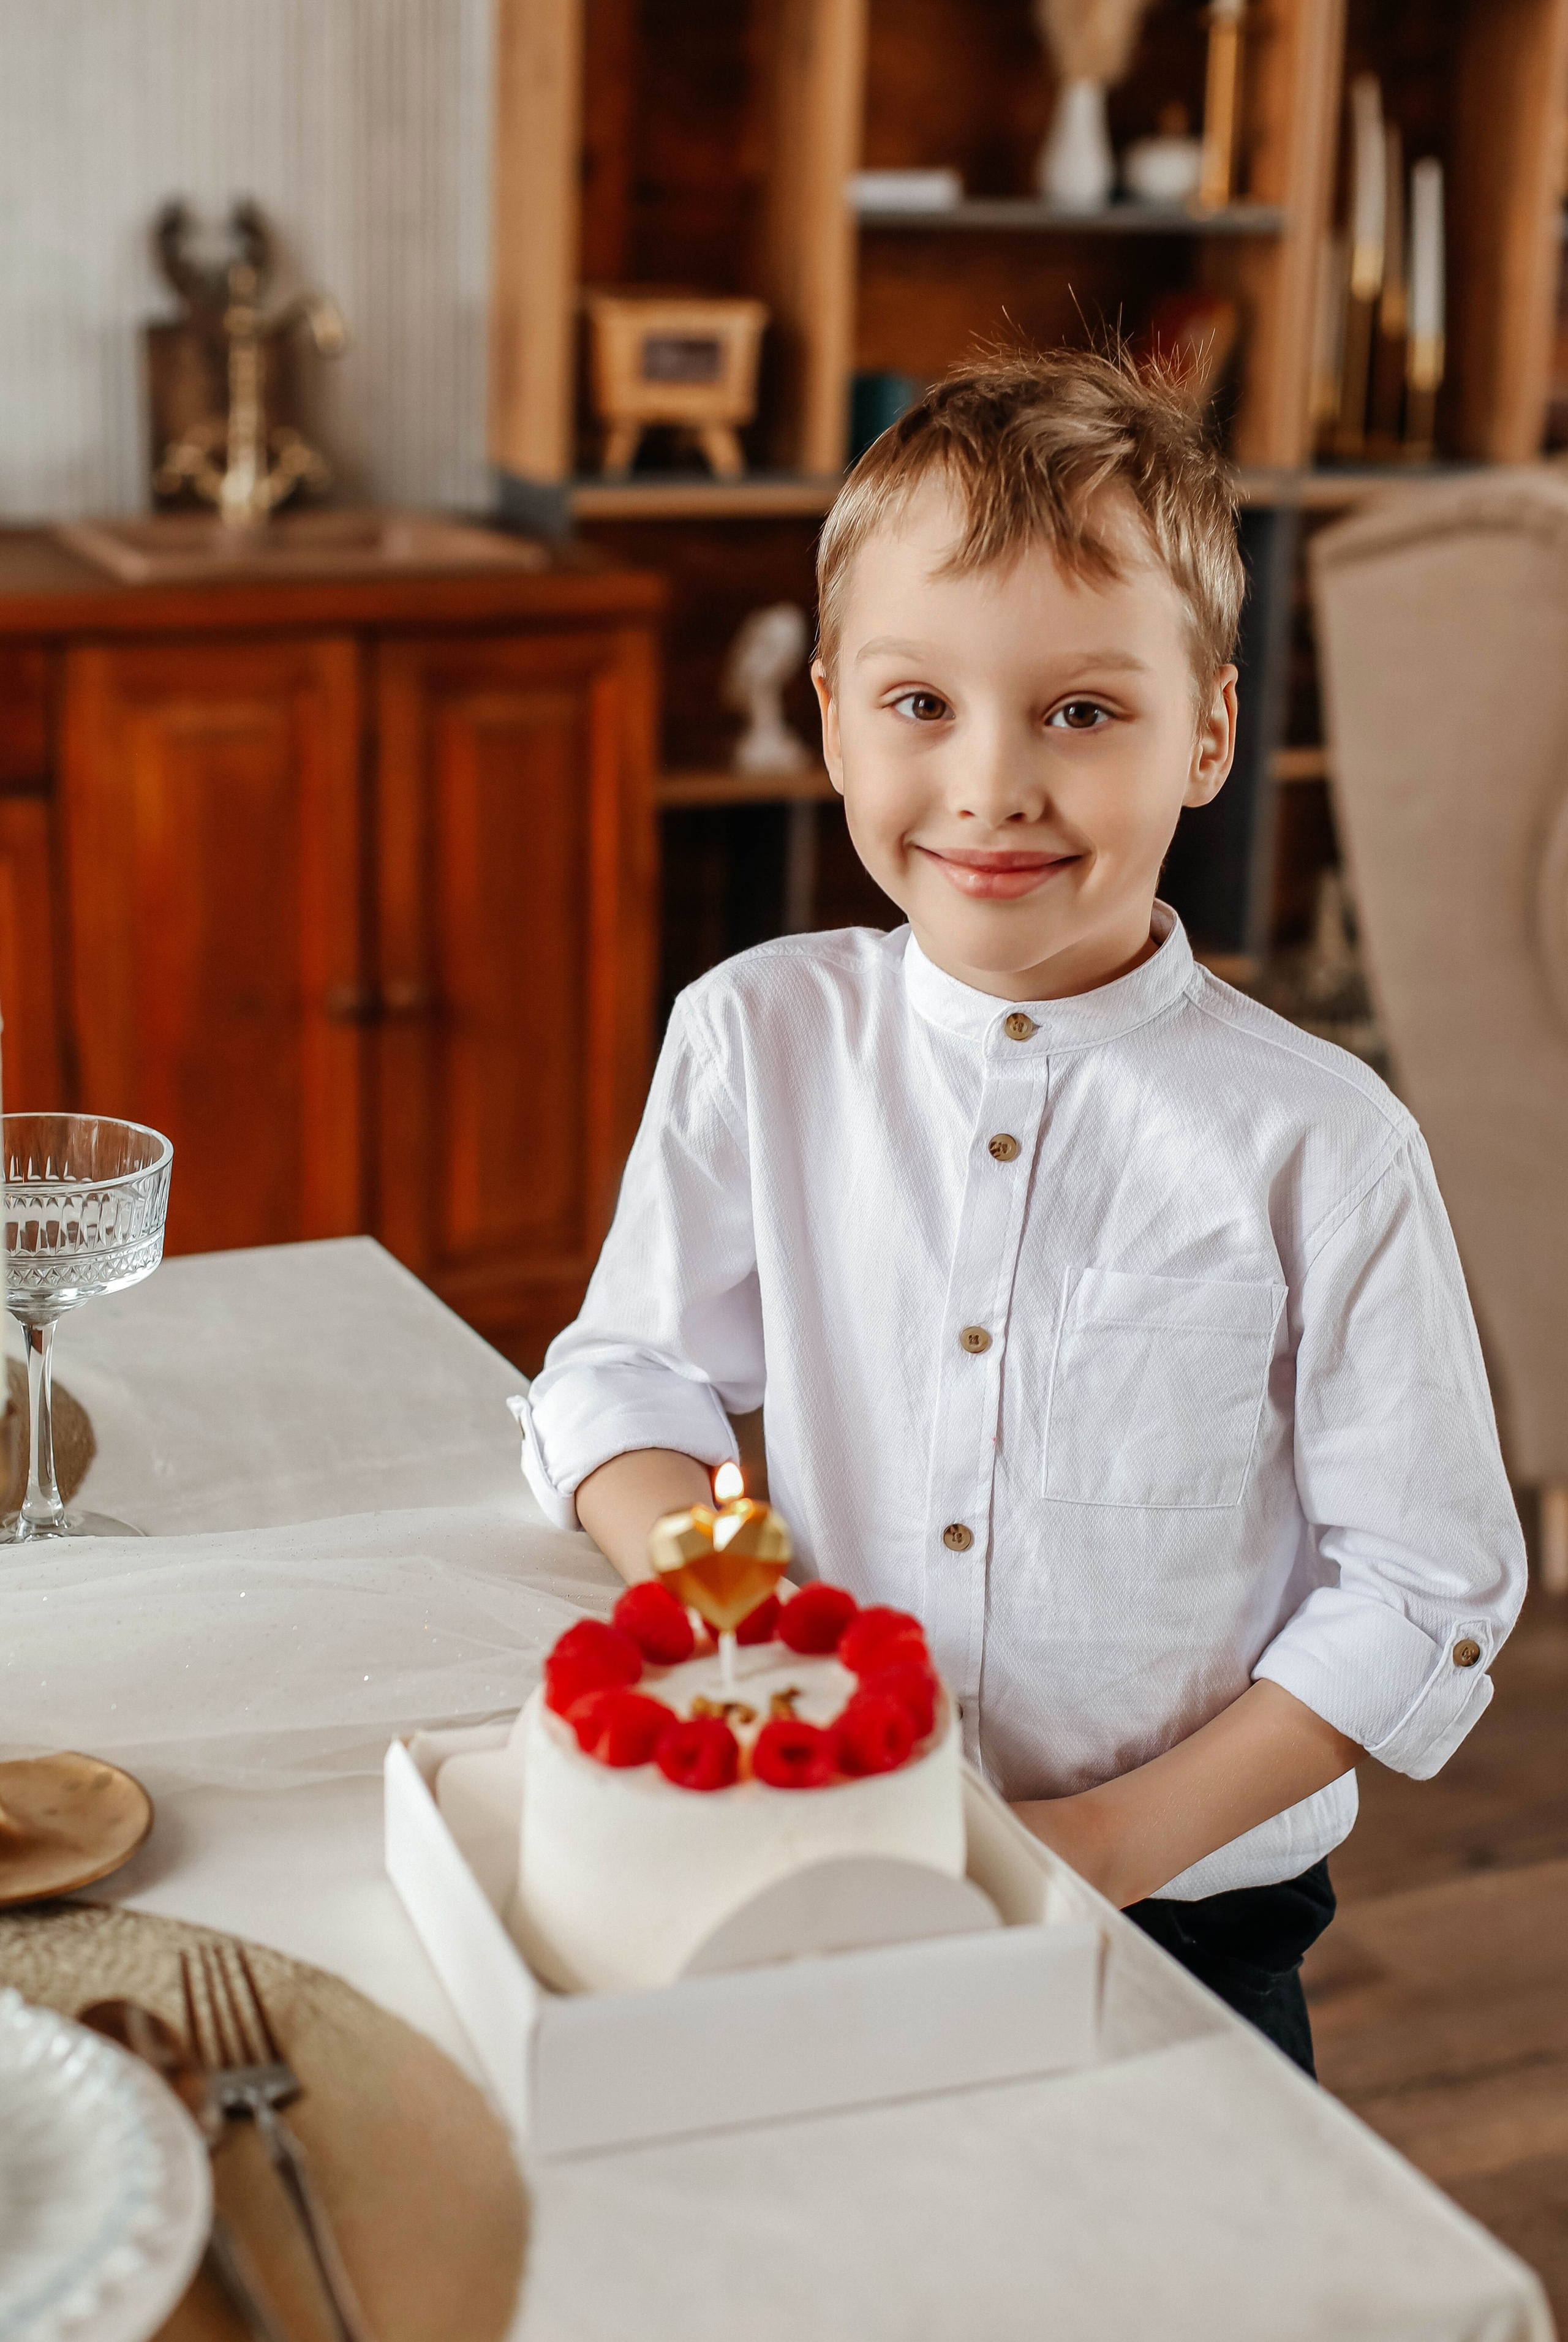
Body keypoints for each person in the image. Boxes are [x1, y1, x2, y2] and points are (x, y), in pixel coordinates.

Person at [518, 350, 1526, 2074]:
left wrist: (1108, 1845)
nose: (992, 786)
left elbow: (1427, 1584)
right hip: (830, 1839)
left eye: (1082, 710)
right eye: (923, 705)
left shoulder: (1323, 1143)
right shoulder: (755, 1037)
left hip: (1187, 1915)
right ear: (832, 712)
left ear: (1208, 730)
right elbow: (624, 1374)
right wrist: (714, 1595)